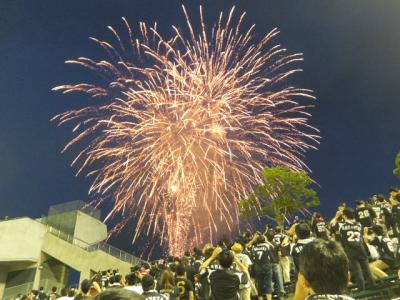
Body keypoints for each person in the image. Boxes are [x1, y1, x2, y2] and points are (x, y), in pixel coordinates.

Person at [337, 208, 375, 291]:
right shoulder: (359, 224)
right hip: (360, 248)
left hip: (350, 250)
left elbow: (341, 239)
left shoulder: (341, 226)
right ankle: (373, 285)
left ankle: (362, 289)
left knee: (357, 271)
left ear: (345, 216)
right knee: (367, 269)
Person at [248, 233, 273, 300]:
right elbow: (272, 247)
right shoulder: (267, 246)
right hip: (267, 266)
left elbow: (247, 246)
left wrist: (253, 240)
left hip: (258, 267)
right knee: (268, 285)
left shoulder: (254, 247)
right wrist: (266, 241)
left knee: (260, 285)